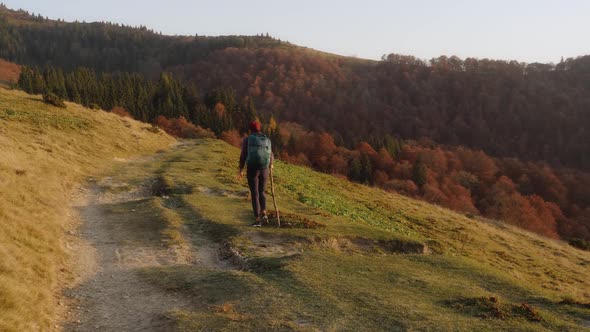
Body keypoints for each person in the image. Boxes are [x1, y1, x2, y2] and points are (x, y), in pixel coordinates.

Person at [239, 120, 273, 227]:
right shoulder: (266, 139)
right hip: (265, 169)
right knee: (262, 191)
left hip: (252, 169)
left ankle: (257, 219)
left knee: (254, 193)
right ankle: (264, 214)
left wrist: (241, 168)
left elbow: (244, 154)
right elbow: (271, 153)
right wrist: (271, 164)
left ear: (250, 129)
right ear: (260, 128)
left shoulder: (248, 139)